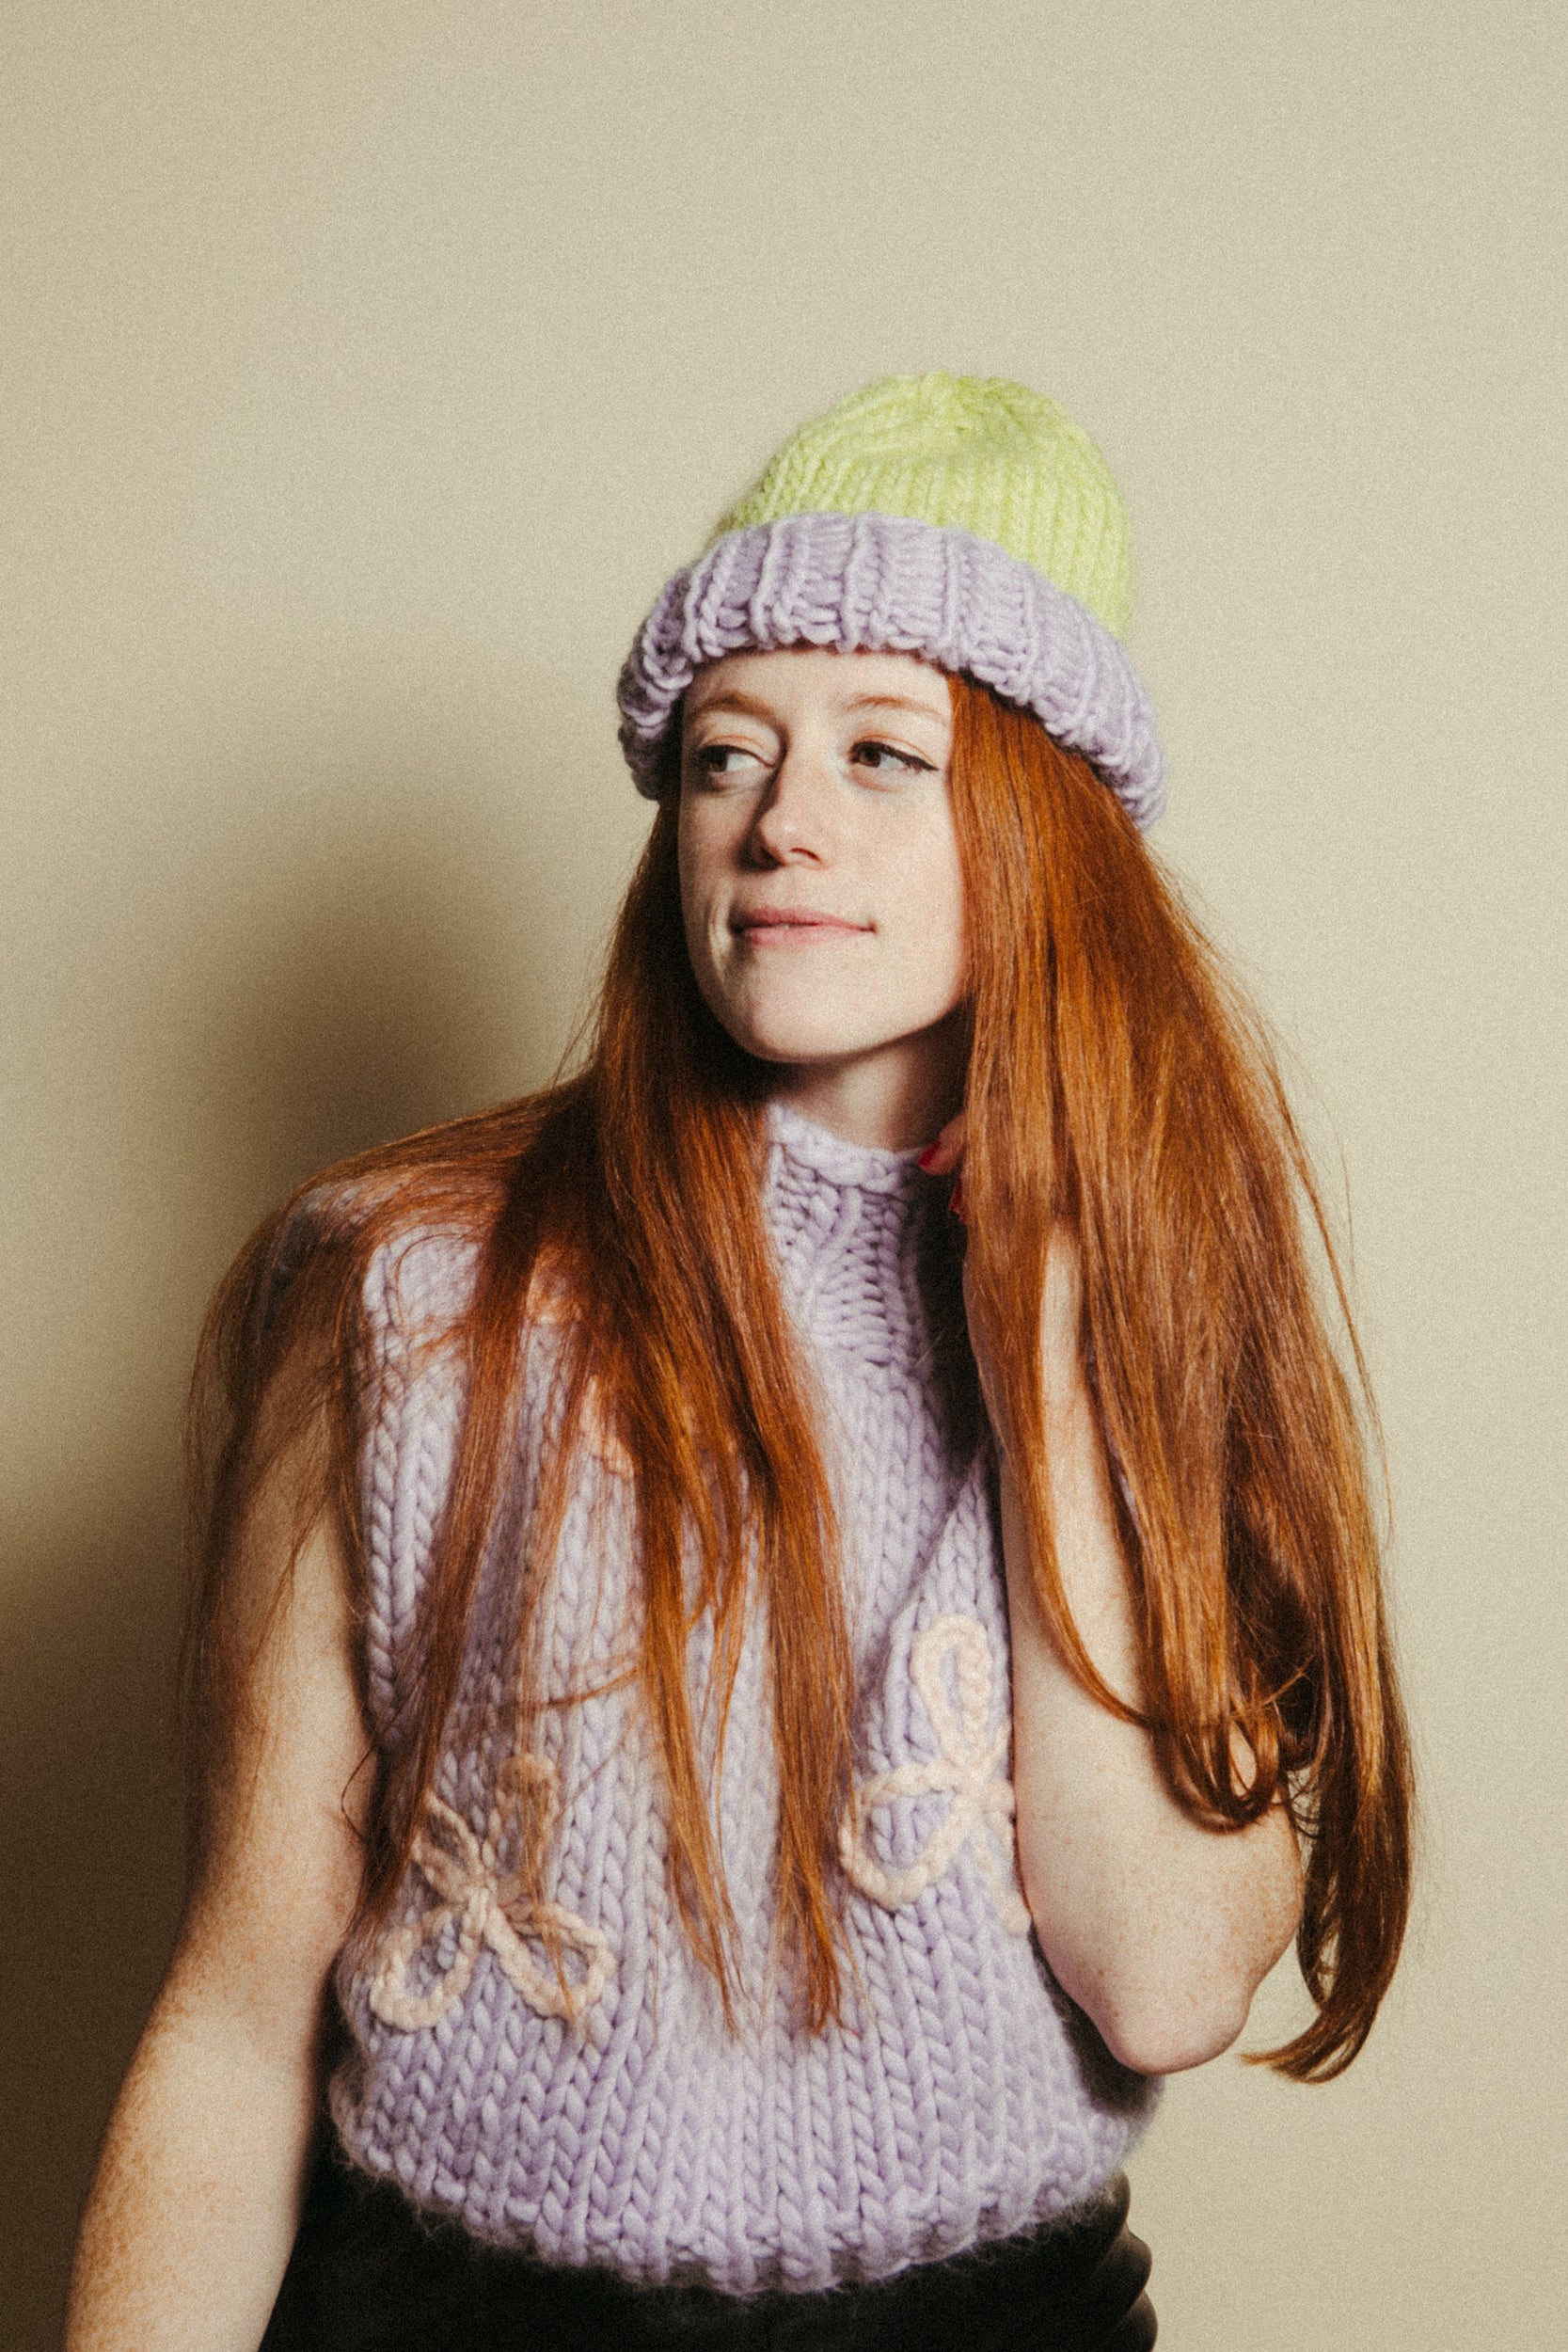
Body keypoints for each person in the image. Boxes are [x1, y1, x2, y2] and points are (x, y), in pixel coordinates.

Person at [64, 374, 1413, 2350]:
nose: (782, 820)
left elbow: (1165, 1984)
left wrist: (1046, 1333)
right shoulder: (405, 1290)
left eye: (887, 749)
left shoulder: (1153, 1298)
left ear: (1042, 827)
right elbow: (234, 2011)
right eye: (723, 755)